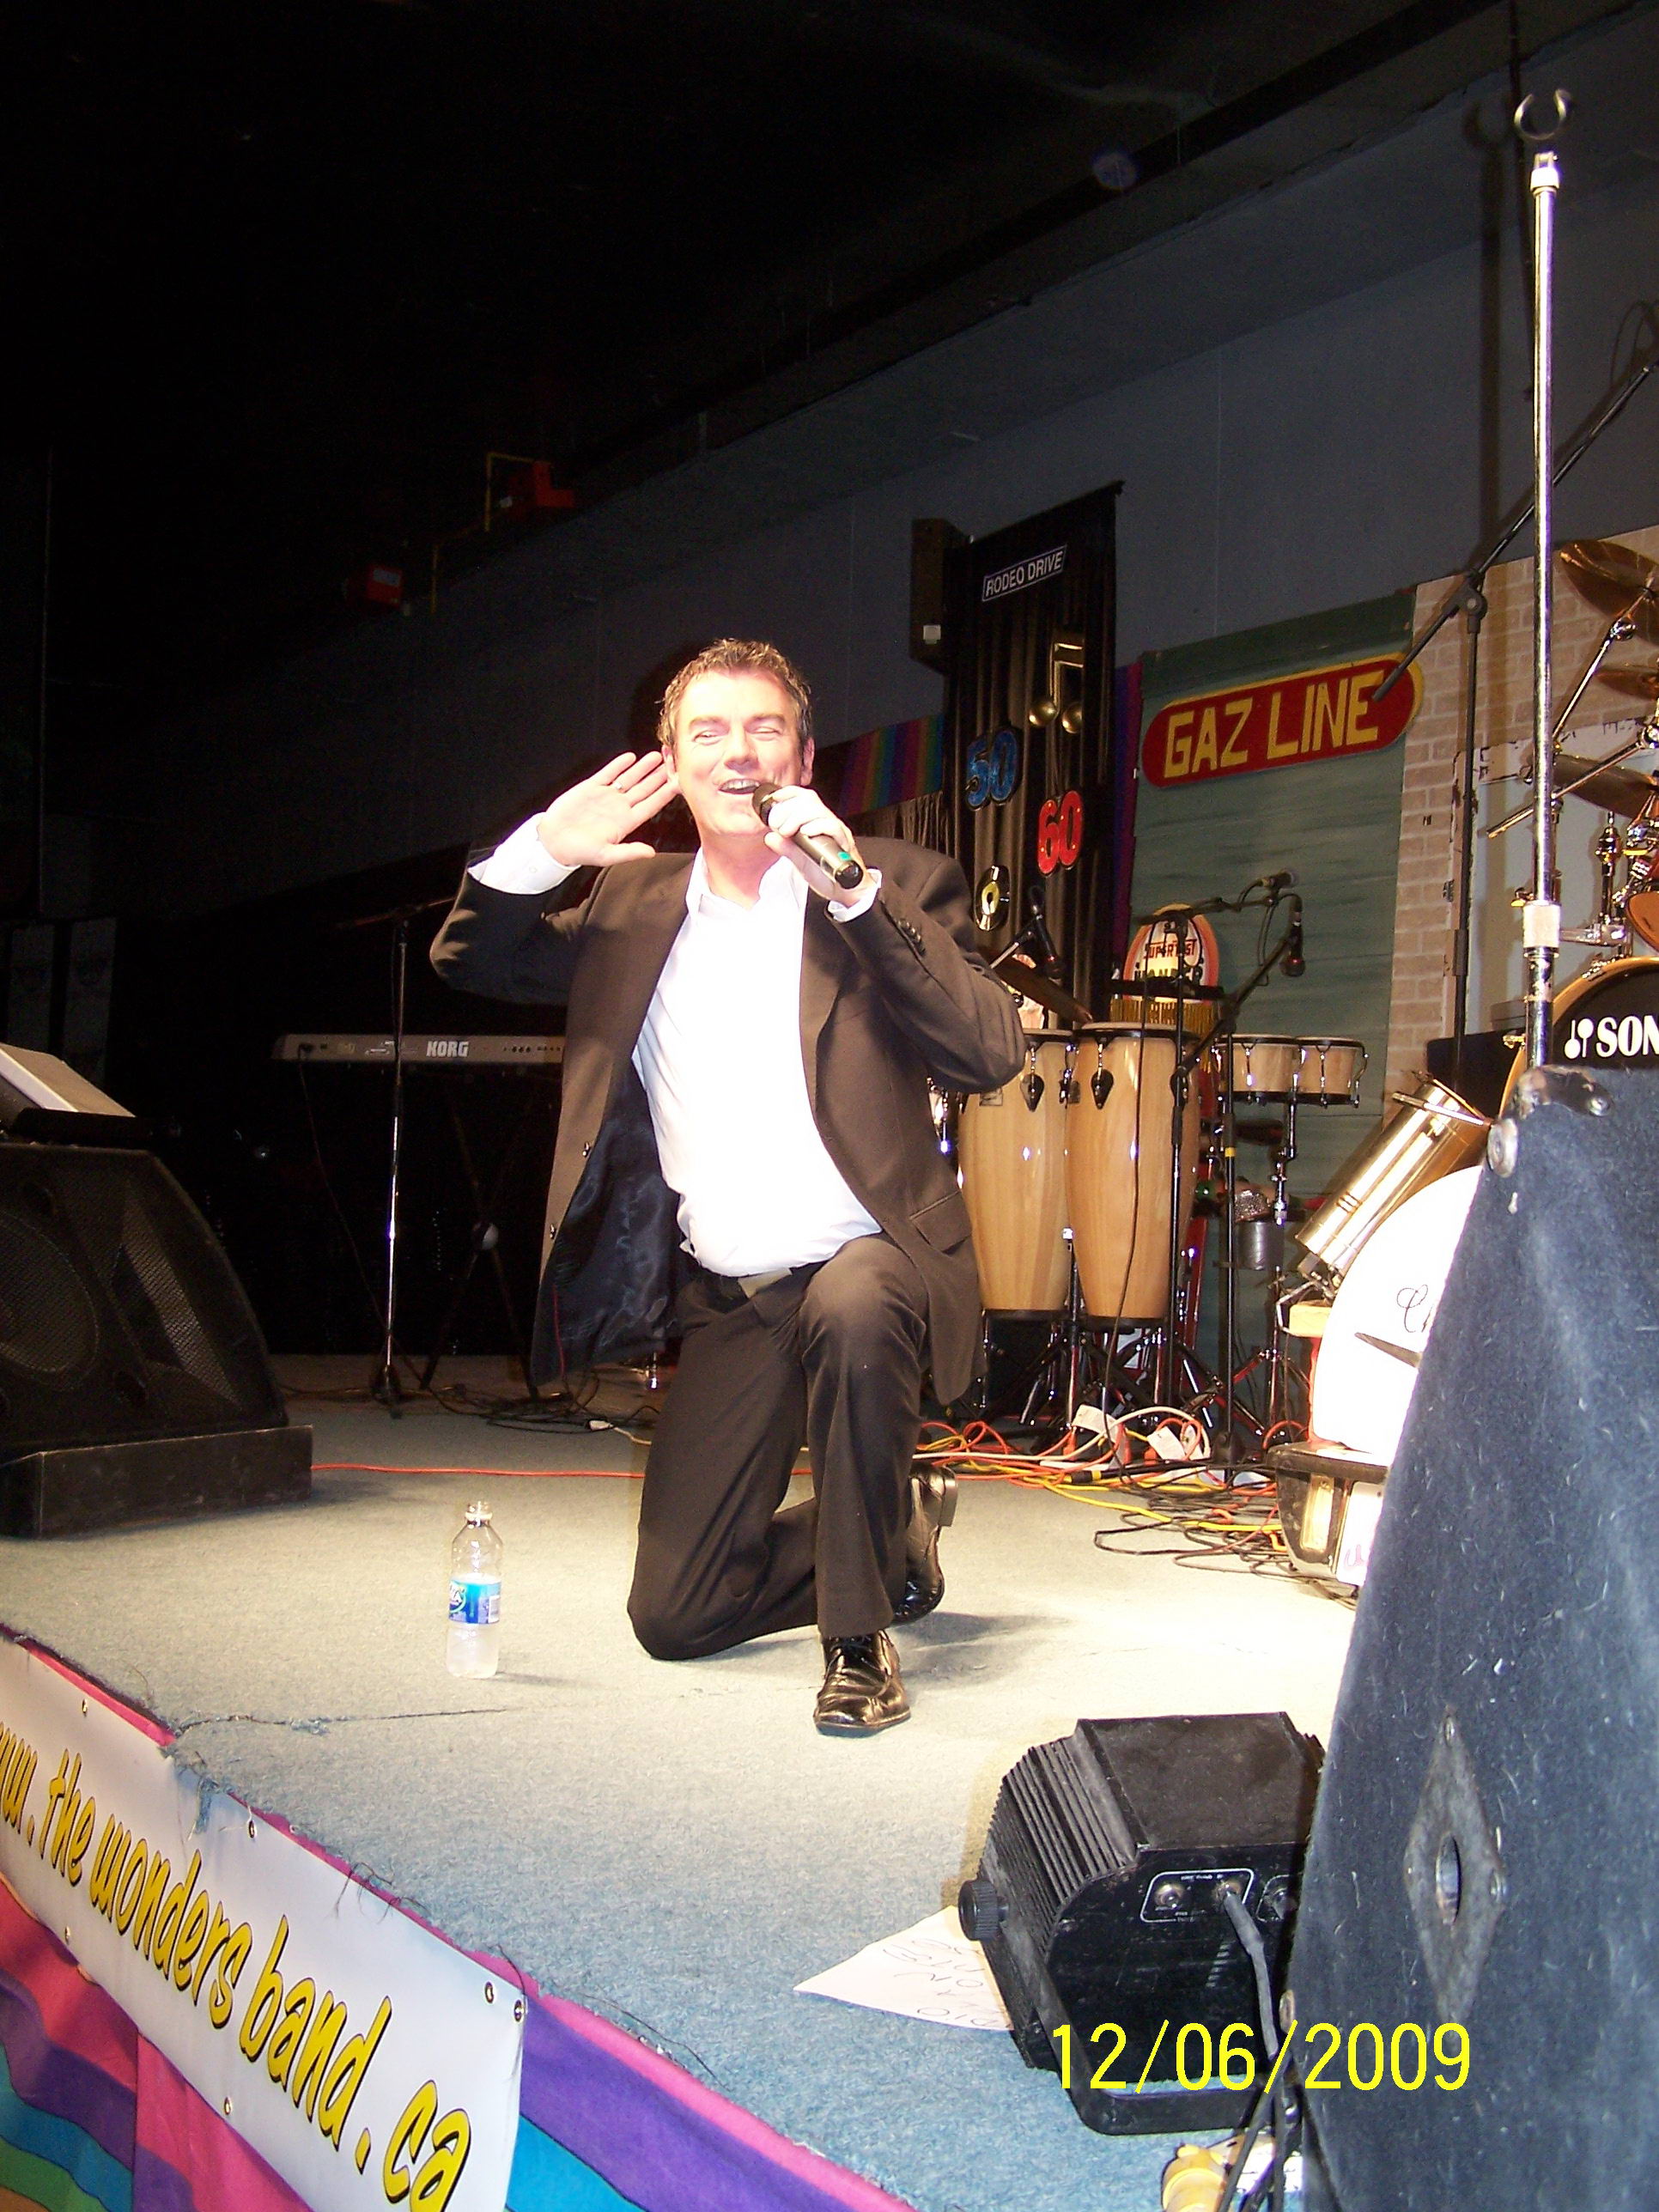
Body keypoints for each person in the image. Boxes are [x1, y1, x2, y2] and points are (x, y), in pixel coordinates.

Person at [431, 639, 1023, 1733]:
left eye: (763, 728)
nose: (737, 752)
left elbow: (988, 1051)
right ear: (674, 762)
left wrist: (854, 893)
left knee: (855, 1305)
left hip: (871, 1260)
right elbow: (469, 959)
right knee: (677, 1613)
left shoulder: (892, 878)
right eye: (708, 732)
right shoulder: (630, 905)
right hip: (735, 1291)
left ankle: (858, 1644)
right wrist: (544, 849)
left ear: (805, 756)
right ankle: (891, 1538)